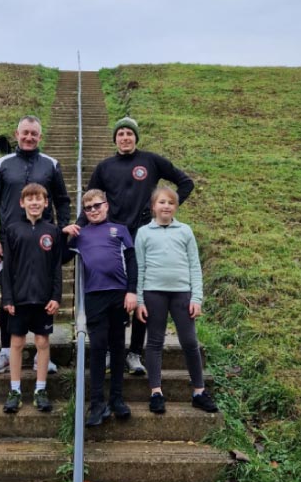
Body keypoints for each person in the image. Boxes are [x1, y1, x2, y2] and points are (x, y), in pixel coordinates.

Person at [67, 117, 195, 376]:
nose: (125, 138)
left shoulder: (151, 161)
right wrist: (77, 228)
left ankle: (135, 351)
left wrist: (165, 209)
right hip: (112, 240)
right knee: (112, 296)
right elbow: (90, 201)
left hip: (144, 237)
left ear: (136, 137)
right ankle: (104, 350)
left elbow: (185, 182)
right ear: (114, 138)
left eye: (129, 134)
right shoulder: (104, 167)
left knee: (139, 293)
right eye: (121, 134)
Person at [0, 116, 71, 373]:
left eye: (34, 133)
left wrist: (62, 228)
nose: (29, 137)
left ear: (40, 136)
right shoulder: (2, 164)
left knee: (44, 294)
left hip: (43, 240)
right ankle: (6, 352)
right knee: (8, 297)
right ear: (16, 134)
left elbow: (63, 200)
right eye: (25, 133)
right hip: (11, 242)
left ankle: (41, 355)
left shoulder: (51, 165)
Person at [135, 185, 214, 416]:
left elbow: (194, 266)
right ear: (153, 207)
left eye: (170, 202)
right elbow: (139, 269)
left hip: (182, 293)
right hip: (153, 293)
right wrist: (140, 300)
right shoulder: (144, 233)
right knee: (155, 342)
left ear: (176, 207)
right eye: (162, 202)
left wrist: (196, 297)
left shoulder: (185, 231)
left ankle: (199, 391)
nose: (166, 206)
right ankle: (156, 392)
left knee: (190, 341)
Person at [63, 188, 138, 427]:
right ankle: (97, 403)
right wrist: (65, 234)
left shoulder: (121, 230)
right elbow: (62, 257)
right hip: (94, 296)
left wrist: (132, 291)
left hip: (119, 295)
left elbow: (132, 262)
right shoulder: (81, 234)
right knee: (97, 348)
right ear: (84, 212)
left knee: (117, 347)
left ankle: (117, 398)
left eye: (98, 205)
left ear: (106, 205)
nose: (94, 210)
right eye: (89, 208)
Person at [0, 183, 64, 413]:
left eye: (39, 199)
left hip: (44, 300)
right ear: (22, 203)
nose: (34, 203)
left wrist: (56, 296)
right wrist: (7, 298)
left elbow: (57, 267)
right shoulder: (12, 229)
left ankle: (40, 389)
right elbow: (6, 268)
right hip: (19, 299)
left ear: (46, 203)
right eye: (30, 199)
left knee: (42, 342)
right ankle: (15, 390)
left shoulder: (53, 231)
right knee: (16, 343)